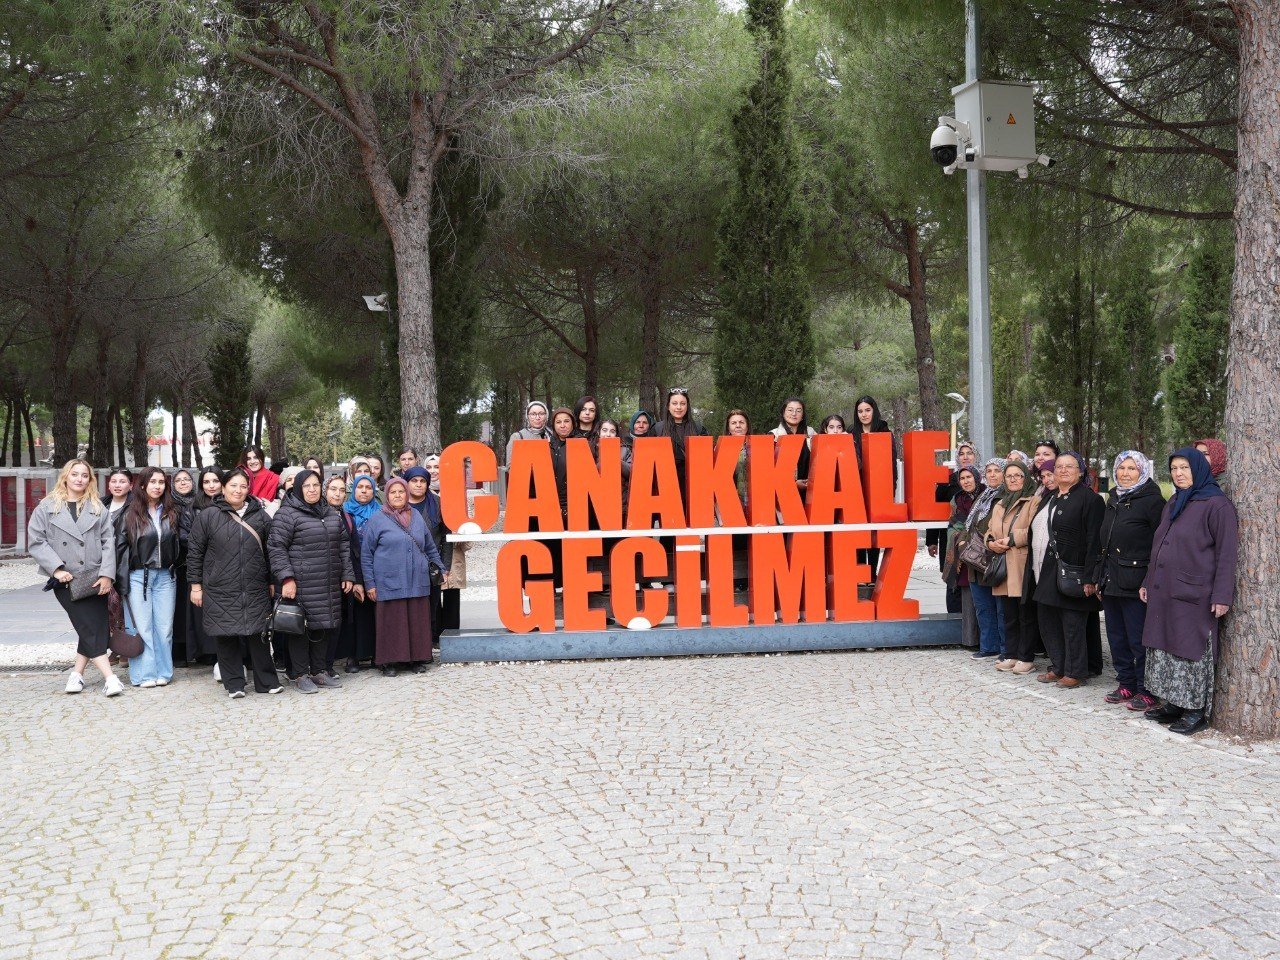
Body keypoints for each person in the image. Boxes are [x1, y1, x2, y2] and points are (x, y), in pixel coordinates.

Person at [1140, 447, 1238, 735]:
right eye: (1174, 469)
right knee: (1164, 648)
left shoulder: (1217, 505)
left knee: (1189, 652)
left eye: (1185, 468)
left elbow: (1227, 555)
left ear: (1199, 469)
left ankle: (1195, 711)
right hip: (1164, 590)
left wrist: (1222, 595)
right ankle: (1172, 704)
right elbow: (1159, 545)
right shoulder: (1174, 502)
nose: (1179, 474)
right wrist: (1148, 581)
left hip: (1195, 594)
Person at [28, 460, 123, 697]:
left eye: (84, 475)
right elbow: (36, 541)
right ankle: (110, 678)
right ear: (66, 477)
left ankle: (76, 675)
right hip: (66, 579)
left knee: (93, 626)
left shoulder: (97, 508)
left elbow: (108, 543)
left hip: (94, 578)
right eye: (75, 474)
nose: (79, 479)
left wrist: (107, 575)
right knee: (89, 627)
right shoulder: (47, 507)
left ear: (89, 480)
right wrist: (57, 569)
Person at [186, 468, 281, 699]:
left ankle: (266, 681)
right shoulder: (208, 515)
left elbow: (271, 550)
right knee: (226, 635)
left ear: (248, 489)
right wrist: (196, 586)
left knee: (258, 634)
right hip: (220, 586)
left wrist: (271, 580)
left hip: (254, 584)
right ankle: (234, 683)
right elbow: (195, 553)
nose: (238, 490)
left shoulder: (260, 515)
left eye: (243, 486)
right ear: (224, 487)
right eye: (233, 485)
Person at [266, 469, 354, 693]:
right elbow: (276, 548)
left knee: (323, 627)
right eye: (307, 486)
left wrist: (347, 574)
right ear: (298, 488)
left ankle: (318, 671)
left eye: (316, 485)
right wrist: (286, 578)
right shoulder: (287, 514)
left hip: (327, 582)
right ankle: (299, 674)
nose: (312, 490)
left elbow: (343, 545)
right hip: (299, 583)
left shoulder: (330, 512)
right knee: (300, 630)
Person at [1092, 451, 1167, 711]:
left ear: (1143, 471)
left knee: (1138, 638)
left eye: (1132, 468)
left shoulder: (1152, 501)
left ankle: (1147, 689)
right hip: (1111, 579)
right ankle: (1126, 683)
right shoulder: (1113, 499)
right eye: (1121, 468)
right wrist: (1099, 577)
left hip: (1137, 581)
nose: (1125, 473)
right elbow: (1104, 543)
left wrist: (1149, 579)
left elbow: (1160, 545)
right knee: (1116, 636)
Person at [1032, 453, 1104, 689]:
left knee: (1073, 623)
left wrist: (1090, 576)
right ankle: (1059, 665)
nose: (1063, 470)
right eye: (1059, 466)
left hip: (1076, 570)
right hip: (1051, 568)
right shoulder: (1053, 497)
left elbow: (1095, 541)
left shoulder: (1090, 500)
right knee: (1047, 618)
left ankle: (1075, 671)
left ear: (1080, 471)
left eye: (1069, 466)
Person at [361, 477, 445, 676]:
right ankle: (390, 662)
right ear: (386, 495)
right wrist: (370, 584)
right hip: (389, 581)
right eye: (393, 492)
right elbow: (366, 554)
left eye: (401, 492)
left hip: (417, 579)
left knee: (417, 620)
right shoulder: (377, 519)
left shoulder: (415, 515)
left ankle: (416, 659)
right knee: (392, 622)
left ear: (406, 494)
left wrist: (441, 569)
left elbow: (430, 547)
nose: (397, 495)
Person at [116, 467, 181, 689]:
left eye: (161, 482)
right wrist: (121, 581)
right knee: (142, 627)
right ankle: (144, 675)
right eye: (152, 482)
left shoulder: (171, 512)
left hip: (166, 576)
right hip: (138, 576)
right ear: (142, 485)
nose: (157, 486)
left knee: (164, 628)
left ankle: (164, 671)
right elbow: (120, 549)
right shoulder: (130, 513)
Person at [986, 460, 1037, 674]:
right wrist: (991, 542)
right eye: (1009, 476)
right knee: (1008, 614)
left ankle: (1026, 657)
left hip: (1021, 564)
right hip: (1003, 564)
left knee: (1025, 614)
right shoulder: (1000, 504)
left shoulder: (1033, 501)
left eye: (1018, 475)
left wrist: (1011, 539)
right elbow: (989, 530)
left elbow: (1035, 529)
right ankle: (1012, 654)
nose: (1013, 479)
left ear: (1025, 477)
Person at [927, 440, 978, 613]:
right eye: (962, 454)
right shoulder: (946, 481)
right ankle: (955, 622)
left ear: (975, 456)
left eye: (969, 453)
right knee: (953, 584)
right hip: (951, 542)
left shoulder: (985, 481)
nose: (966, 457)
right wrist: (931, 540)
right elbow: (934, 510)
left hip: (977, 543)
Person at [964, 458, 1007, 660]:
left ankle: (1004, 647)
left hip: (994, 558)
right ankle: (988, 645)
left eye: (996, 470)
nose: (992, 474)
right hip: (975, 559)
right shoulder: (983, 496)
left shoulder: (1005, 496)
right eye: (988, 470)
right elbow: (970, 524)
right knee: (982, 605)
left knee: (1000, 607)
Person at [851, 395, 897, 580]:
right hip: (856, 490)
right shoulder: (852, 431)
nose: (864, 414)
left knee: (876, 534)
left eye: (867, 410)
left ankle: (873, 572)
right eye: (860, 411)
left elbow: (891, 463)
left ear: (874, 410)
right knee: (859, 533)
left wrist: (891, 489)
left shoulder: (884, 431)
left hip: (879, 489)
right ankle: (862, 574)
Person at [339, 475, 380, 672]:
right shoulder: (344, 511)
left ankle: (374, 652)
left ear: (374, 491)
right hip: (351, 566)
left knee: (373, 612)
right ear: (353, 490)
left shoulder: (380, 512)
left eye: (368, 488)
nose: (364, 491)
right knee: (352, 613)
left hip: (375, 567)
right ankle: (352, 655)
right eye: (360, 487)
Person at [405, 464, 448, 644]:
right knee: (410, 607)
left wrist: (446, 565)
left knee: (431, 607)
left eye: (423, 481)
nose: (418, 484)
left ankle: (427, 645)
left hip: (432, 565)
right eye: (414, 481)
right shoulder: (399, 503)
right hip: (406, 564)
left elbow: (446, 536)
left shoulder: (437, 503)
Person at [941, 466, 981, 650]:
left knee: (983, 599)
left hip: (981, 553)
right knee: (967, 597)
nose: (966, 481)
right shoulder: (957, 499)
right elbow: (953, 525)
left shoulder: (986, 497)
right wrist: (959, 539)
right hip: (961, 557)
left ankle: (987, 641)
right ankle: (970, 640)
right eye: (962, 478)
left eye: (969, 477)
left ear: (977, 477)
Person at [650, 388, 707, 492]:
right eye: (674, 403)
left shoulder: (698, 429)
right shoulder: (657, 429)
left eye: (683, 403)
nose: (679, 407)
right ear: (668, 406)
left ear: (687, 406)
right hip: (665, 486)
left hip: (693, 486)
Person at [170, 469, 196, 663]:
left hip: (198, 563)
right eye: (178, 480)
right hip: (178, 564)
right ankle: (180, 653)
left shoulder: (200, 502)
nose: (183, 483)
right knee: (178, 611)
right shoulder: (169, 505)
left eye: (186, 479)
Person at [769, 397, 816, 496]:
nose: (794, 414)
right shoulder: (773, 436)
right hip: (784, 492)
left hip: (811, 491)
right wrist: (794, 483)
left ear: (803, 415)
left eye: (798, 411)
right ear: (783, 412)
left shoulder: (811, 434)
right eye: (790, 410)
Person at [506, 401, 549, 466]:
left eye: (541, 414)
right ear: (527, 416)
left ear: (546, 415)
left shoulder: (551, 435)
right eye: (533, 414)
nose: (537, 418)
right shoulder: (517, 437)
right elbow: (511, 466)